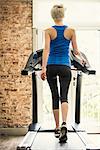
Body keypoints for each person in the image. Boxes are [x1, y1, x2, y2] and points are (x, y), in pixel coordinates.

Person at [41, 4, 84, 142]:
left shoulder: (48, 31)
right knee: (64, 96)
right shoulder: (71, 31)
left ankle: (57, 127)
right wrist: (82, 60)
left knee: (55, 96)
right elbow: (76, 51)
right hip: (65, 67)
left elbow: (46, 50)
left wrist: (43, 68)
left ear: (52, 16)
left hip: (52, 66)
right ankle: (65, 123)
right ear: (63, 15)